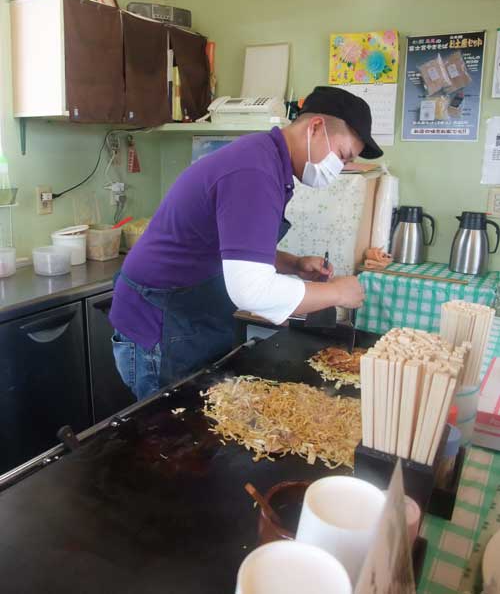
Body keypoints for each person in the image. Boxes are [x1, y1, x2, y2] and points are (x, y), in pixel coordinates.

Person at [109, 86, 383, 400]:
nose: (342, 168)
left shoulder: (267, 159)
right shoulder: (254, 170)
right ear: (316, 127)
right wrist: (337, 292)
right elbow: (251, 289)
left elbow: (233, 244)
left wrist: (293, 263)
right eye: (343, 156)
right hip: (159, 323)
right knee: (165, 431)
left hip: (189, 312)